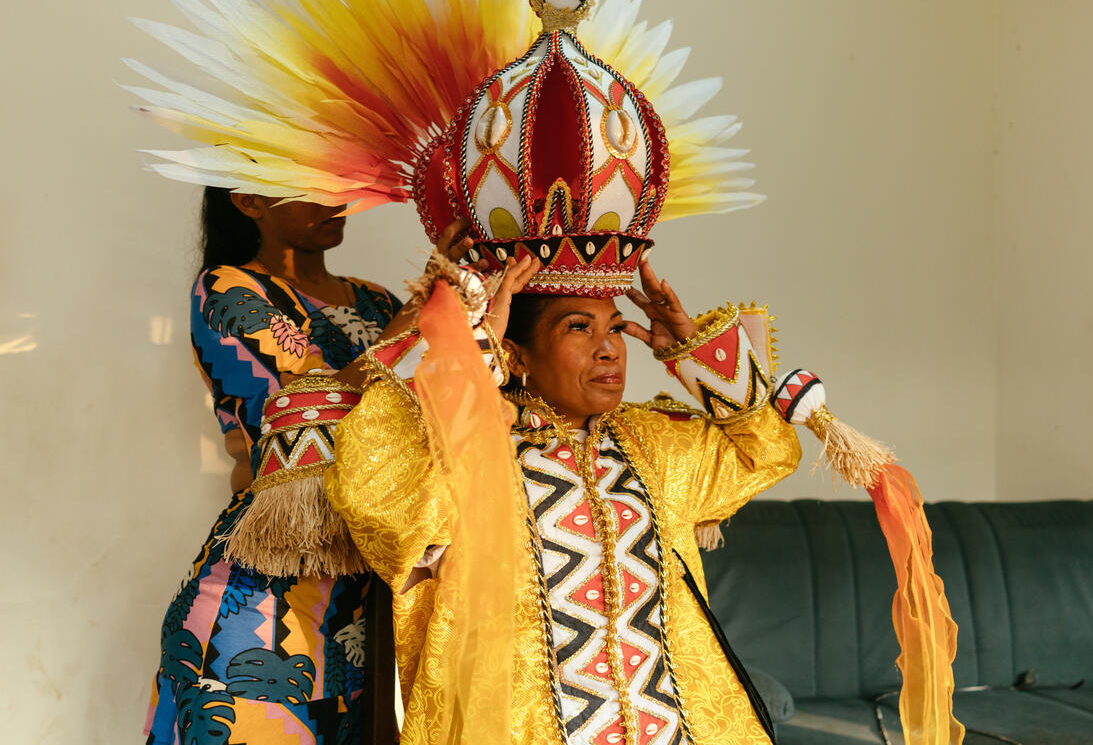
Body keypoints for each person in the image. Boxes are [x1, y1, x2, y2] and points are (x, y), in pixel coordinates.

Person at [326, 258, 802, 745]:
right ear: (515, 355)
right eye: (579, 327)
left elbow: (767, 450)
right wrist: (469, 355)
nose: (608, 350)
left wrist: (693, 354)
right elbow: (375, 484)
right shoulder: (465, 452)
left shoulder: (656, 443)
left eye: (615, 329)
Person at [142, 187, 473, 744]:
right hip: (264, 591)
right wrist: (423, 313)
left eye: (340, 187)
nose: (335, 202)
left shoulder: (376, 302)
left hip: (367, 592)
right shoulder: (229, 289)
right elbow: (309, 408)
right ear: (247, 201)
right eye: (310, 190)